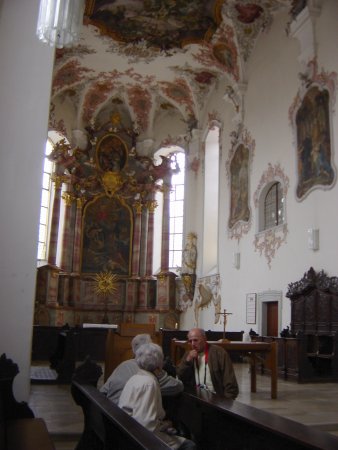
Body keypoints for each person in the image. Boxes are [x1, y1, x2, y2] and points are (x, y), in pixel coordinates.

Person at [118, 343, 196, 450]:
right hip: (140, 438)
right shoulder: (149, 382)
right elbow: (146, 425)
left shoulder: (136, 377)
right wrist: (165, 426)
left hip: (129, 430)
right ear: (159, 364)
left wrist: (162, 425)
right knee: (189, 445)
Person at [100, 333, 183, 403]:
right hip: (126, 419)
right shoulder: (151, 369)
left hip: (109, 411)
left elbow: (103, 390)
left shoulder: (123, 365)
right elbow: (178, 387)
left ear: (133, 350)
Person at [176, 328, 239, 399]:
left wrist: (226, 402)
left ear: (204, 339)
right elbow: (179, 376)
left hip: (216, 398)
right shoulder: (188, 354)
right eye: (190, 341)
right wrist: (187, 361)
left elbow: (230, 382)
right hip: (196, 397)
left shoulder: (218, 353)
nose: (193, 344)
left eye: (195, 340)